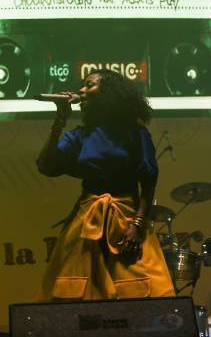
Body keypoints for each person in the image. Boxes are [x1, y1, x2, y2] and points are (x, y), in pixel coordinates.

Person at [36, 69, 174, 301]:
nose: (82, 90)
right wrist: (59, 120)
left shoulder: (135, 133)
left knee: (141, 291)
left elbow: (148, 182)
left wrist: (137, 225)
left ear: (109, 93)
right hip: (88, 219)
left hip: (127, 217)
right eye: (83, 85)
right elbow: (46, 166)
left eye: (89, 85)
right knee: (76, 295)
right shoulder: (80, 135)